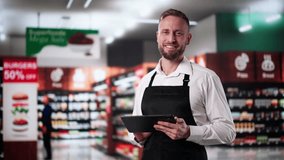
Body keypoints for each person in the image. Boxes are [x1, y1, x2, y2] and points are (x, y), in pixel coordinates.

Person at [132, 8, 236, 160]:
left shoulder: (206, 78)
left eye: (178, 33)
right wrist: (139, 137)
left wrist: (189, 132)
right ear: (157, 36)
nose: (171, 39)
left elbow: (228, 132)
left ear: (188, 38)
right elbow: (136, 128)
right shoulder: (146, 81)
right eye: (165, 32)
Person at [42, 95, 53, 160]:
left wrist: (45, 127)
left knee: (46, 142)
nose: (43, 100)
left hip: (47, 127)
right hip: (46, 126)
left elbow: (46, 118)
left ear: (47, 101)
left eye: (44, 99)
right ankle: (48, 156)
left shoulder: (48, 108)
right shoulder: (46, 107)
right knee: (46, 142)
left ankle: (49, 156)